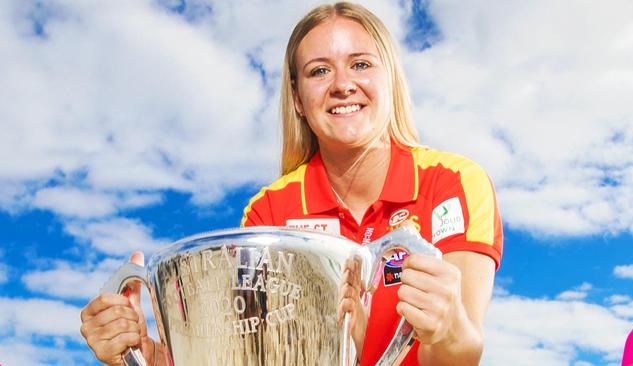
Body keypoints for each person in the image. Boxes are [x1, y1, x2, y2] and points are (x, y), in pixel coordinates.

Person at [79, 2, 503, 365]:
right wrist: (152, 357)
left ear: (389, 79)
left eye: (361, 64)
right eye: (319, 71)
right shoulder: (268, 212)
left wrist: (448, 329)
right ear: (298, 100)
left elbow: (458, 354)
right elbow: (250, 355)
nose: (342, 84)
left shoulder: (455, 183)